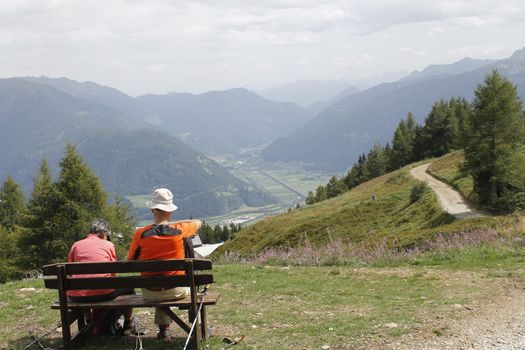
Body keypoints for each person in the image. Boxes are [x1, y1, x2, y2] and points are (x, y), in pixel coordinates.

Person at [127, 188, 202, 340]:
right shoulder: (180, 230)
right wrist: (175, 223)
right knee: (180, 284)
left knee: (159, 280)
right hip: (177, 290)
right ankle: (197, 328)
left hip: (150, 292)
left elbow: (131, 261)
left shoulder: (140, 233)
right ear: (170, 211)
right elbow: (198, 222)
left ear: (152, 209)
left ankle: (164, 330)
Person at [68, 219, 135, 335]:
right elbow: (113, 272)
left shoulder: (76, 245)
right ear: (104, 233)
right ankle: (128, 324)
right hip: (104, 294)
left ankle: (89, 320)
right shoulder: (108, 245)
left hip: (77, 297)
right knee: (129, 289)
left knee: (83, 287)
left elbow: (70, 271)